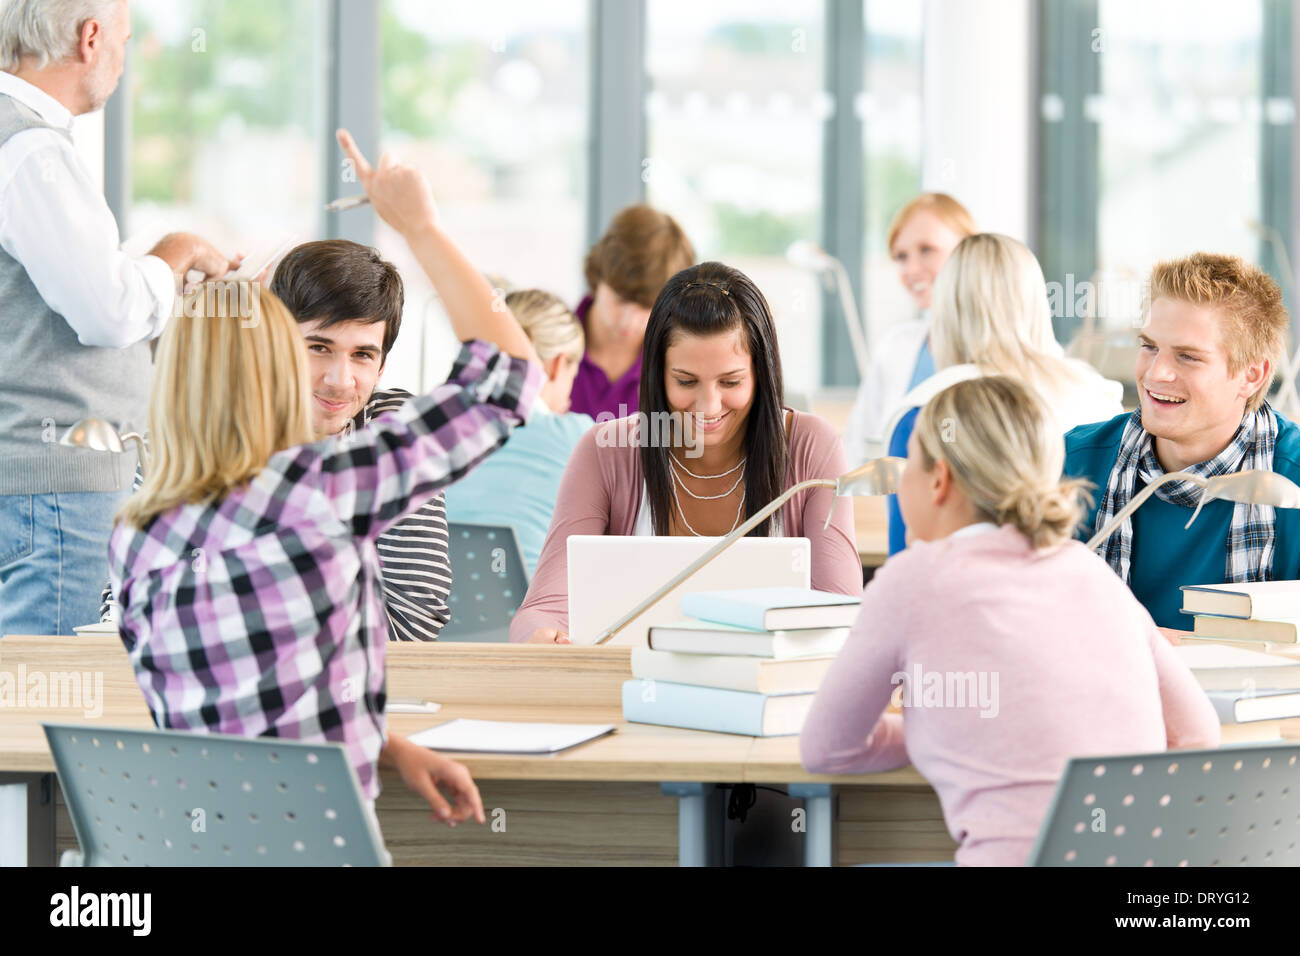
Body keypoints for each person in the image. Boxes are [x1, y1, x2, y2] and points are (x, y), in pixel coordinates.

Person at [108, 128, 543, 842]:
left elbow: (243, 705)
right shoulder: (326, 489)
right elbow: (508, 379)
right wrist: (421, 226)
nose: (337, 380)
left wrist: (383, 743)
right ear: (275, 365)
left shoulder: (137, 529)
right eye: (309, 349)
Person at [800, 375, 1220, 866]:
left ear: (938, 480)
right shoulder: (1091, 571)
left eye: (906, 465)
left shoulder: (911, 580)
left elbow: (826, 749)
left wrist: (930, 728)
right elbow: (1196, 734)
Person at [0, 0, 239, 636]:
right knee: (42, 698)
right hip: (52, 485)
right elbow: (107, 312)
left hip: (25, 478)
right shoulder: (29, 150)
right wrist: (178, 250)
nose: (124, 61)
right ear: (91, 37)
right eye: (126, 42)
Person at [511, 261, 862, 644]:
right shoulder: (605, 451)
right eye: (685, 381)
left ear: (761, 374)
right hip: (631, 688)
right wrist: (542, 636)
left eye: (731, 381)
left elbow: (840, 611)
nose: (708, 406)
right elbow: (542, 608)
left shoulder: (813, 446)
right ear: (657, 374)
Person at [1066, 252, 1300, 632]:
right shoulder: (1070, 464)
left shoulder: (1291, 481)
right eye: (1149, 346)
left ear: (1252, 375)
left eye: (1188, 357)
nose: (1156, 373)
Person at [883, 233, 1123, 554]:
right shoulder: (1097, 395)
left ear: (945, 310)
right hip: (1085, 590)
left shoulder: (930, 410)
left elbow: (907, 556)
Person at [271, 239, 453, 640]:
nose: (340, 381)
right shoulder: (206, 425)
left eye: (362, 355)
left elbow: (412, 623)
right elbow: (129, 608)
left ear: (382, 365)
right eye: (318, 347)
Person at [444, 289, 595, 574]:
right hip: (534, 613)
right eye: (572, 378)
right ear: (557, 365)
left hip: (439, 610)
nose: (569, 398)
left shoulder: (444, 424)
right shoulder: (581, 436)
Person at [842, 193, 976, 467]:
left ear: (969, 251)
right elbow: (855, 450)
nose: (911, 269)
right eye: (901, 256)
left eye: (927, 250)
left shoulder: (1007, 346)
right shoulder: (896, 346)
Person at [568, 204, 694, 420]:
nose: (630, 320)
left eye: (647, 306)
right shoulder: (546, 345)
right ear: (597, 277)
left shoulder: (679, 367)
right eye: (621, 299)